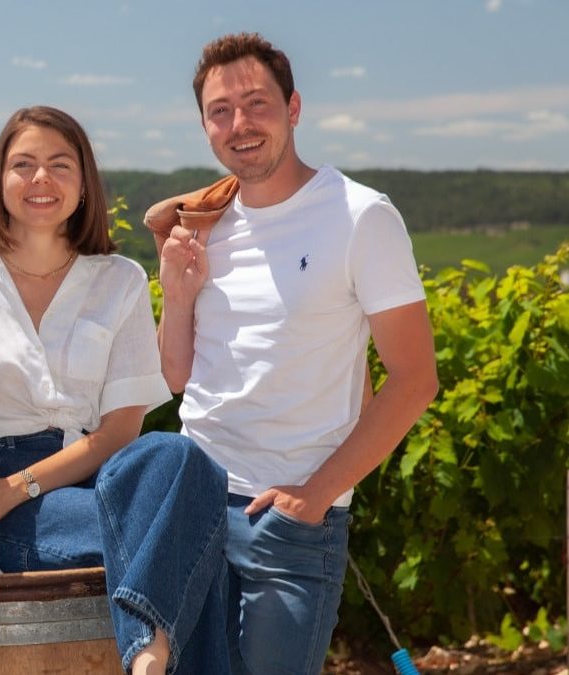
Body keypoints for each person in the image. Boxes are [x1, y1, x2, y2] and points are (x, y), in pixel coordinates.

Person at [0, 106, 230, 674]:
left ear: (84, 186)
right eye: (23, 164)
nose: (41, 179)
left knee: (181, 457)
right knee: (194, 537)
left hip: (96, 471)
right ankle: (152, 654)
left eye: (60, 164)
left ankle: (145, 654)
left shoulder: (119, 278)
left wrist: (17, 487)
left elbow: (121, 431)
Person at [155, 33, 439, 673]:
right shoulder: (204, 222)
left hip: (288, 522)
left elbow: (416, 378)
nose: (240, 124)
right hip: (193, 503)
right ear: (204, 125)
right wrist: (177, 294)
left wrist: (316, 497)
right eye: (220, 111)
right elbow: (177, 376)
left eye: (257, 103)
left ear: (294, 107)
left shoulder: (360, 217)